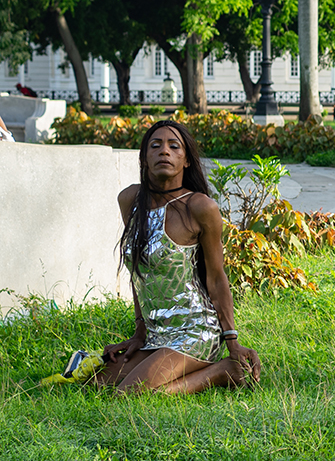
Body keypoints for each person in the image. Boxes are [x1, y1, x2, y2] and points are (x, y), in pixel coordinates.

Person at [90, 120, 261, 394]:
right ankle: (168, 360)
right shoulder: (130, 199)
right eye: (155, 146)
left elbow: (217, 278)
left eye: (174, 146)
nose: (164, 152)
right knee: (96, 384)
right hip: (157, 334)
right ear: (144, 158)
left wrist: (232, 341)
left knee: (131, 393)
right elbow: (139, 272)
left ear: (186, 160)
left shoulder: (200, 207)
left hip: (196, 331)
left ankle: (222, 371)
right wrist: (139, 333)